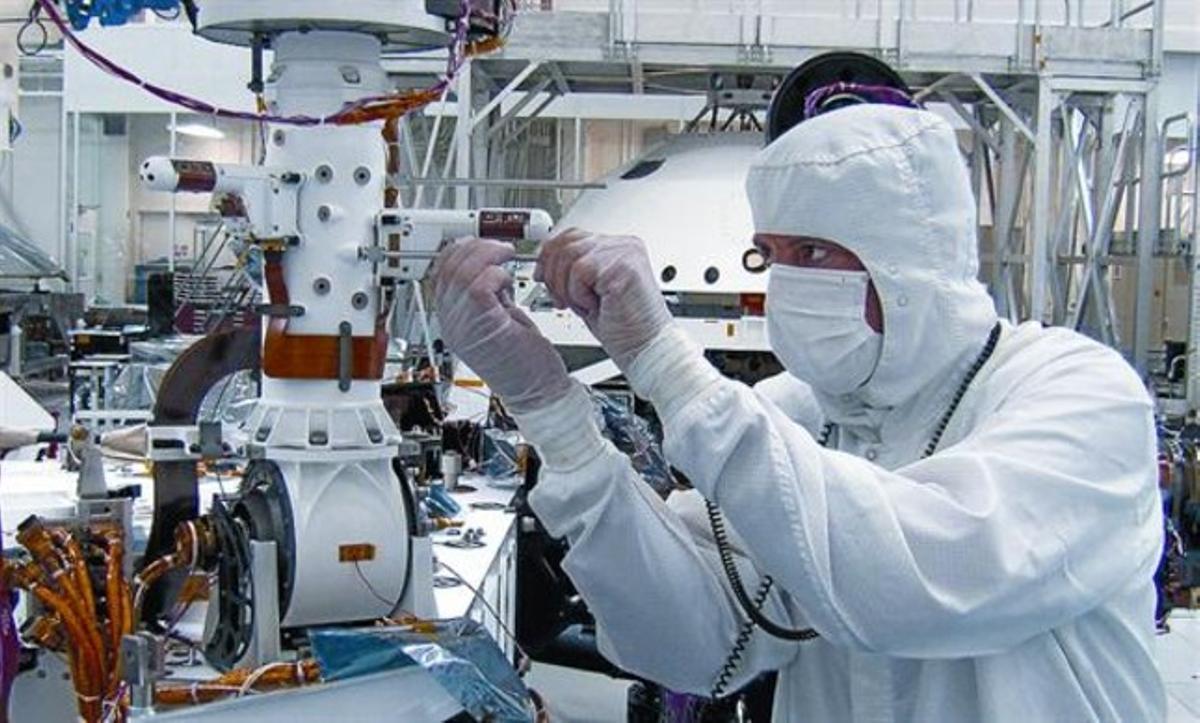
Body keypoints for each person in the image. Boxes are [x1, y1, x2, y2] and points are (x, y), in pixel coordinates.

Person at [432, 103, 1166, 721]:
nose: (787, 281)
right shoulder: (798, 414)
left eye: (813, 251)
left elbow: (919, 583)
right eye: (768, 254)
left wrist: (666, 363)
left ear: (910, 263)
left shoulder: (1078, 395)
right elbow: (697, 643)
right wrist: (555, 417)